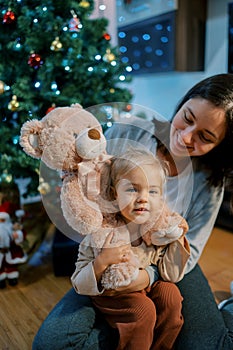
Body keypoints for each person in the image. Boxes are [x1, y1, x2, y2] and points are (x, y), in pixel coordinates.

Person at [32, 73, 233, 350]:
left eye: (205, 137)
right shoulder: (131, 132)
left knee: (212, 345)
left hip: (166, 263)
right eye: (187, 118)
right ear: (183, 104)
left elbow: (191, 251)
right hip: (112, 255)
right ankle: (142, 326)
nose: (186, 137)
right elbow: (94, 203)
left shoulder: (209, 183)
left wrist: (147, 276)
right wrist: (104, 266)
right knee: (50, 344)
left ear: (220, 146)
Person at [71, 148, 190, 350]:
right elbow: (78, 283)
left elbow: (172, 274)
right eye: (133, 189)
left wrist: (178, 239)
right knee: (143, 309)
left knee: (170, 294)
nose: (143, 198)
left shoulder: (157, 231)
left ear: (161, 198)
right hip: (114, 294)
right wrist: (102, 262)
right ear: (114, 195)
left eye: (152, 191)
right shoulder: (101, 233)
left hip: (147, 286)